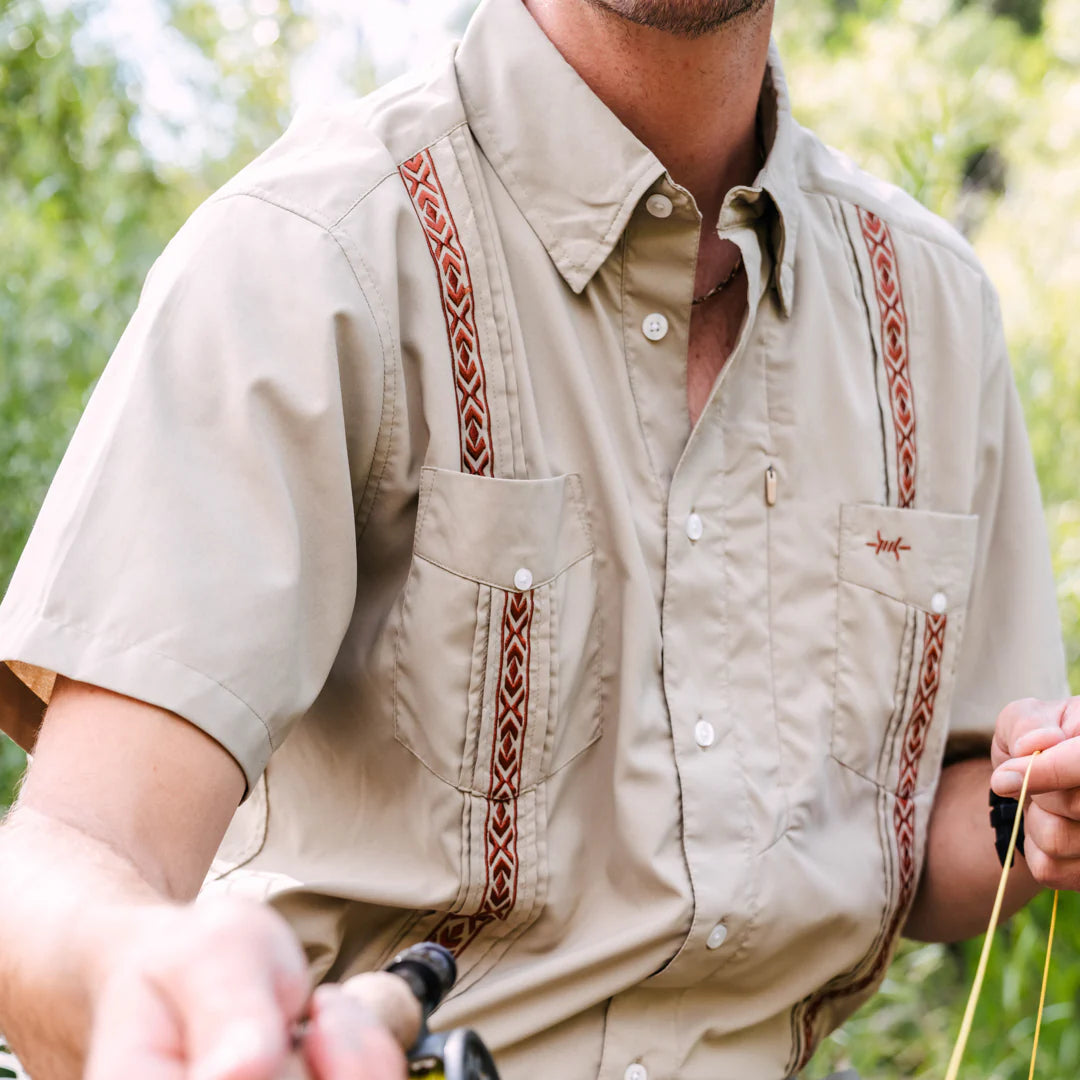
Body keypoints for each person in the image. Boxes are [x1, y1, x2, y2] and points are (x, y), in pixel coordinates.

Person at [0, 0, 1078, 1077]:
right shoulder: (307, 257)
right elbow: (86, 848)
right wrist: (146, 985)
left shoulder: (935, 311)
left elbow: (935, 834)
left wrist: (1033, 816)